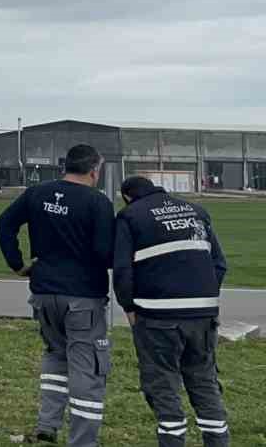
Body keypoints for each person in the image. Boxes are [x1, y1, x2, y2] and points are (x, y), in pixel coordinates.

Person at [0, 143, 116, 447]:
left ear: (65, 166)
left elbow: (4, 223)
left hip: (44, 292)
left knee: (55, 356)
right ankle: (83, 441)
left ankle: (47, 426)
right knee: (87, 367)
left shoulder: (37, 193)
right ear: (94, 170)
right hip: (83, 297)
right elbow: (104, 252)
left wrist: (17, 264)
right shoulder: (98, 202)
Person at [114, 176, 230, 446]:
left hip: (157, 315)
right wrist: (203, 298)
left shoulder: (130, 216)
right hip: (202, 315)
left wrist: (129, 307)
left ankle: (172, 440)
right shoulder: (197, 211)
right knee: (204, 380)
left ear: (128, 197)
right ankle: (218, 440)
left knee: (162, 383)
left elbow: (122, 270)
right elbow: (219, 264)